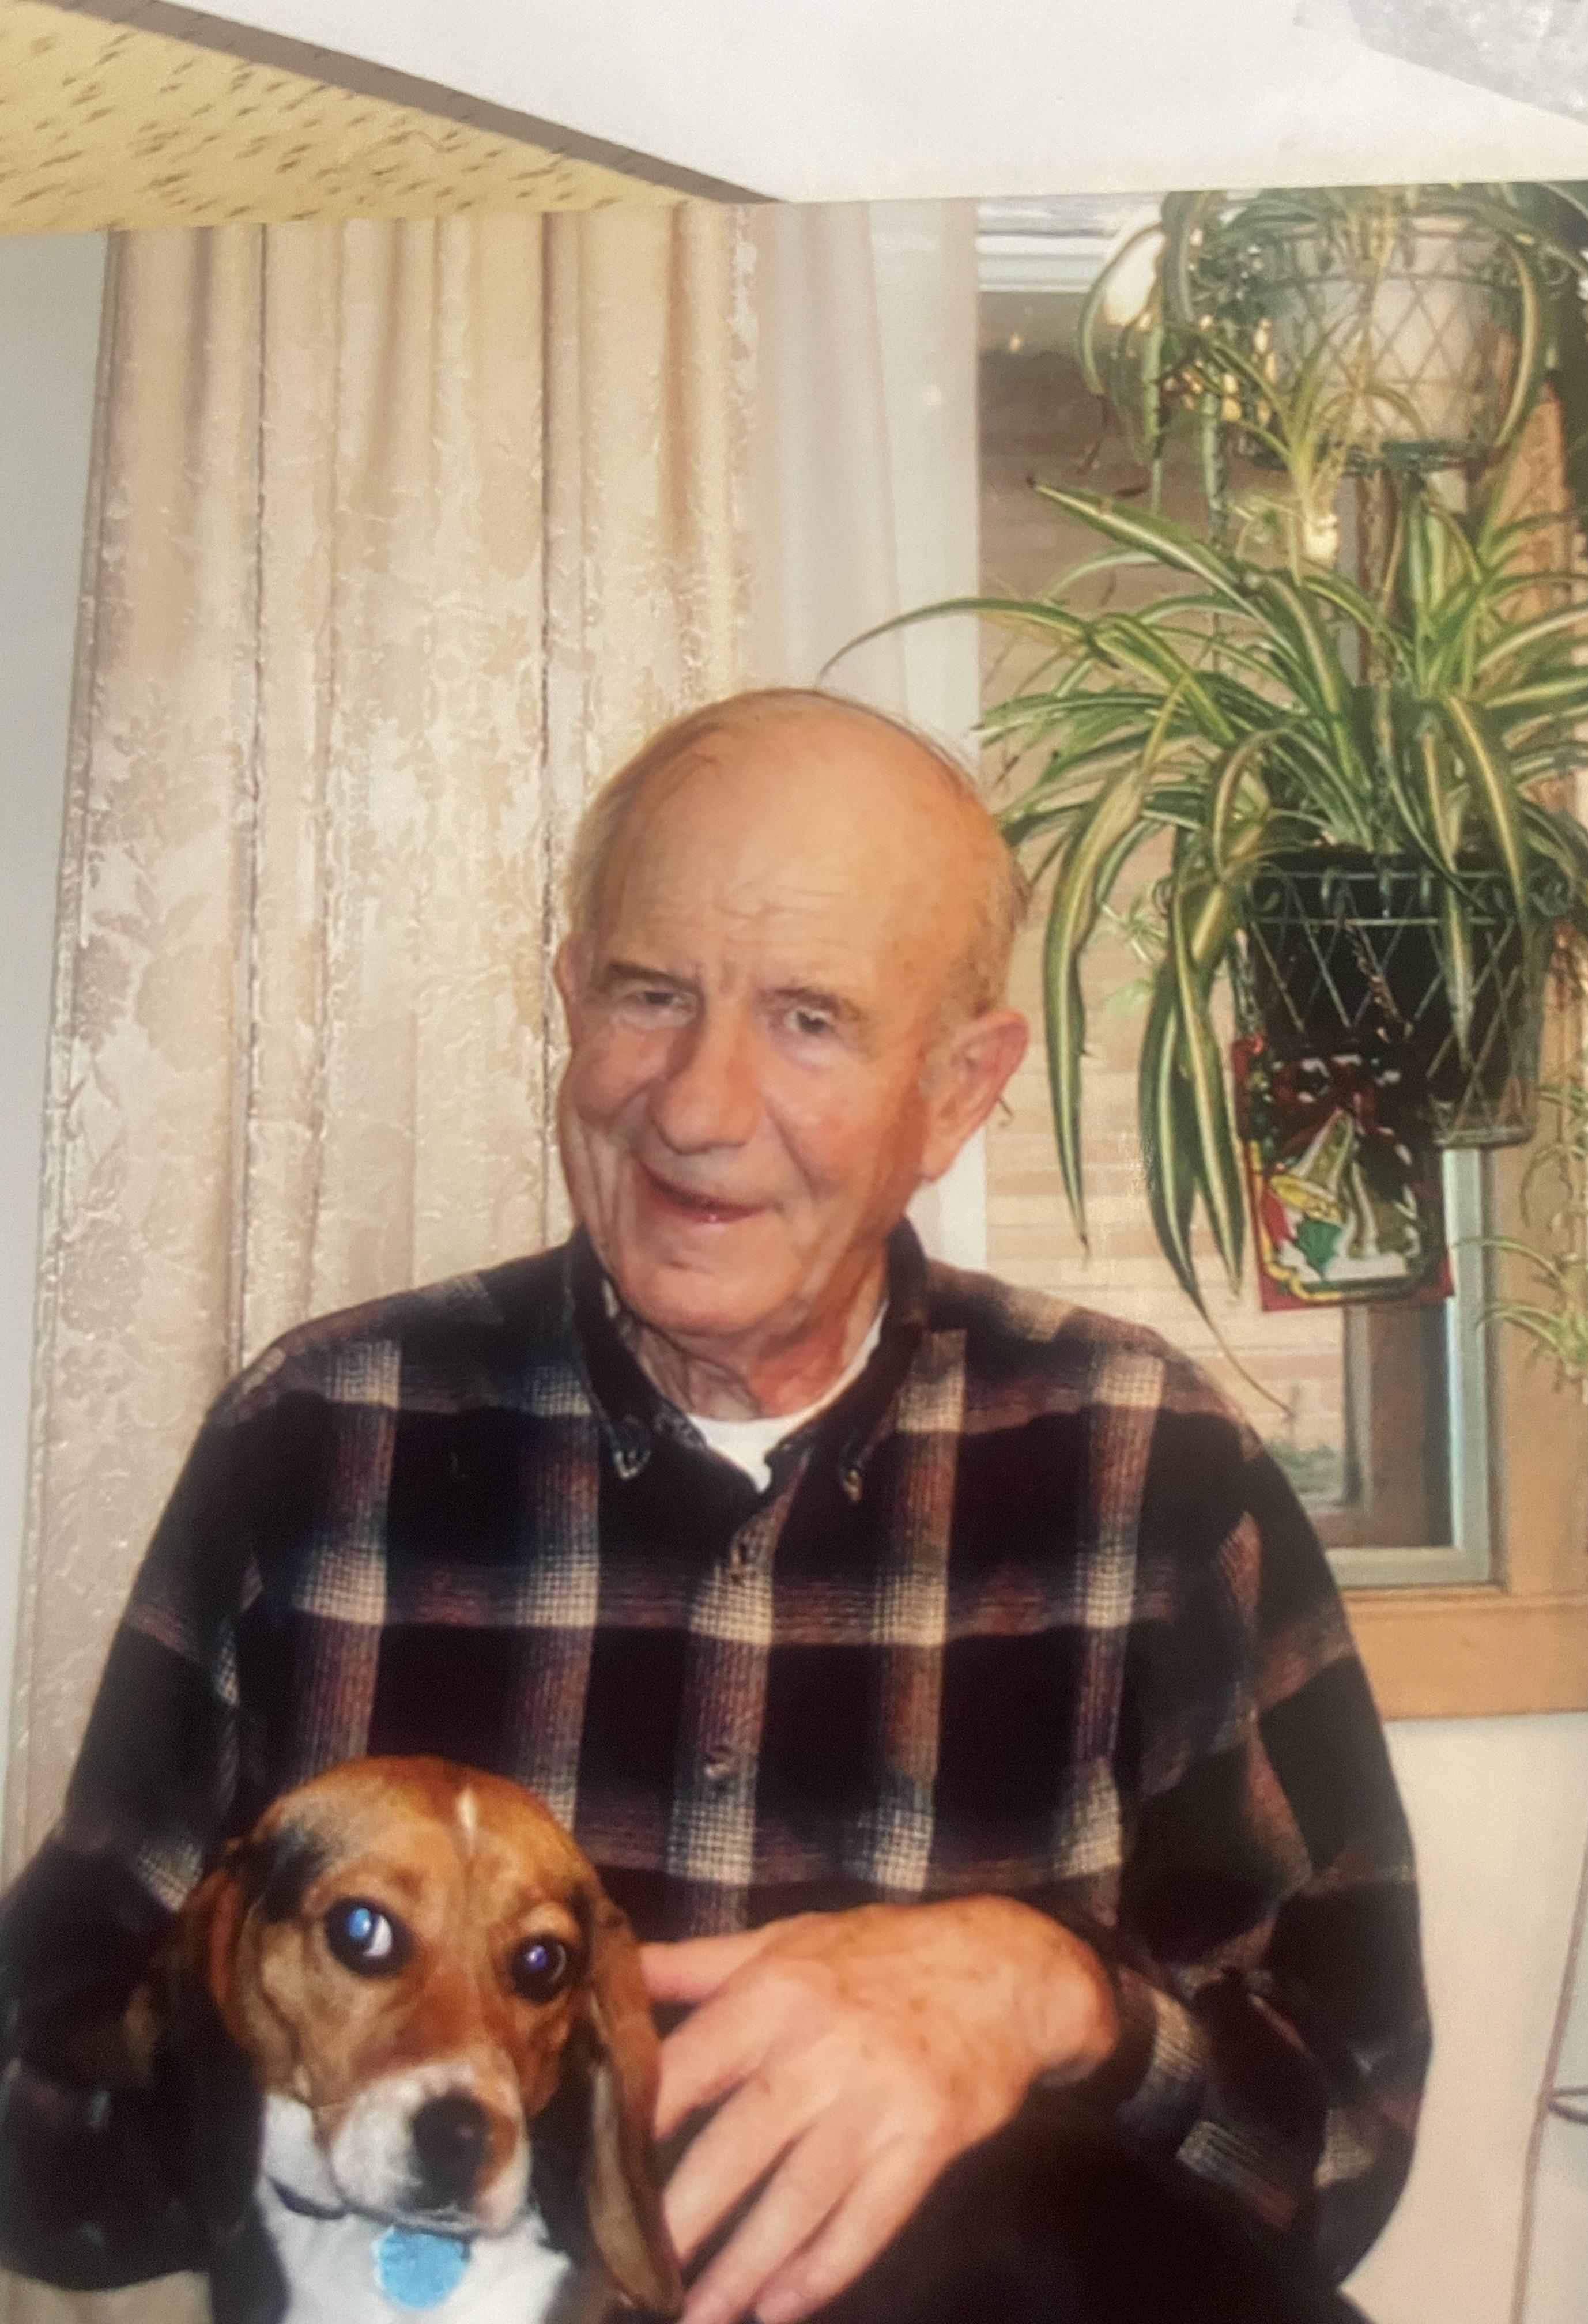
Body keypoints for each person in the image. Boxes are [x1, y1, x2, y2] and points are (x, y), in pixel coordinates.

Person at [0, 689, 1428, 2323]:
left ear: (958, 1090)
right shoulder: (322, 1445)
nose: (694, 1105)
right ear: (568, 1001)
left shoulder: (1147, 1467)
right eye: (650, 994)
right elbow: (38, 2142)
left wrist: (1056, 1999)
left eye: (810, 1019)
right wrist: (353, 2057)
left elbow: (1346, 2141)